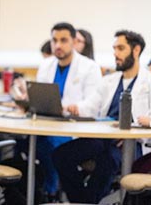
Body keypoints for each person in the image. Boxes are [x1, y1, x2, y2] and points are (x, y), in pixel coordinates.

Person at [53, 30, 151, 203]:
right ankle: (81, 201)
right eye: (114, 49)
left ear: (136, 50)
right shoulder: (109, 80)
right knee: (60, 155)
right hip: (103, 138)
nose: (115, 54)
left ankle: (86, 202)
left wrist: (130, 130)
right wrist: (70, 108)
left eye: (120, 48)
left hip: (130, 143)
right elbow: (89, 106)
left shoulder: (150, 82)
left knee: (107, 161)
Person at [35, 22, 102, 201]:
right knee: (27, 144)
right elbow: (41, 97)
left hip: (76, 131)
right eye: (54, 40)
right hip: (48, 126)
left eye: (63, 40)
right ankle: (45, 192)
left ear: (73, 41)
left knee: (53, 150)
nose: (58, 45)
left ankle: (55, 192)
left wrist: (75, 107)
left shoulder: (89, 67)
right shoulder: (45, 65)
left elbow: (94, 104)